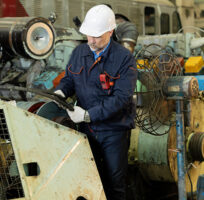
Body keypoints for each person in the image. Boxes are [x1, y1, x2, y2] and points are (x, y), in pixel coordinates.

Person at [54, 5, 137, 200]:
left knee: (114, 184)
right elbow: (69, 78)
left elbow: (121, 99)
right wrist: (61, 91)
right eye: (88, 35)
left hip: (114, 131)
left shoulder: (124, 59)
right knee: (88, 179)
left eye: (97, 36)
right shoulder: (79, 52)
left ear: (110, 31)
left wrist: (88, 114)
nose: (91, 40)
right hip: (87, 130)